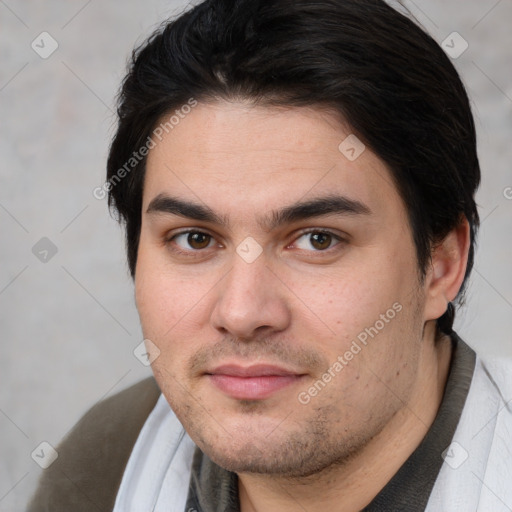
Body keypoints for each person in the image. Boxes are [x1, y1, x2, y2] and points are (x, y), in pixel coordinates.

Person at [28, 0, 512, 511]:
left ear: (441, 266)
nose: (241, 313)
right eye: (195, 239)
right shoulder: (108, 460)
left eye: (317, 240)